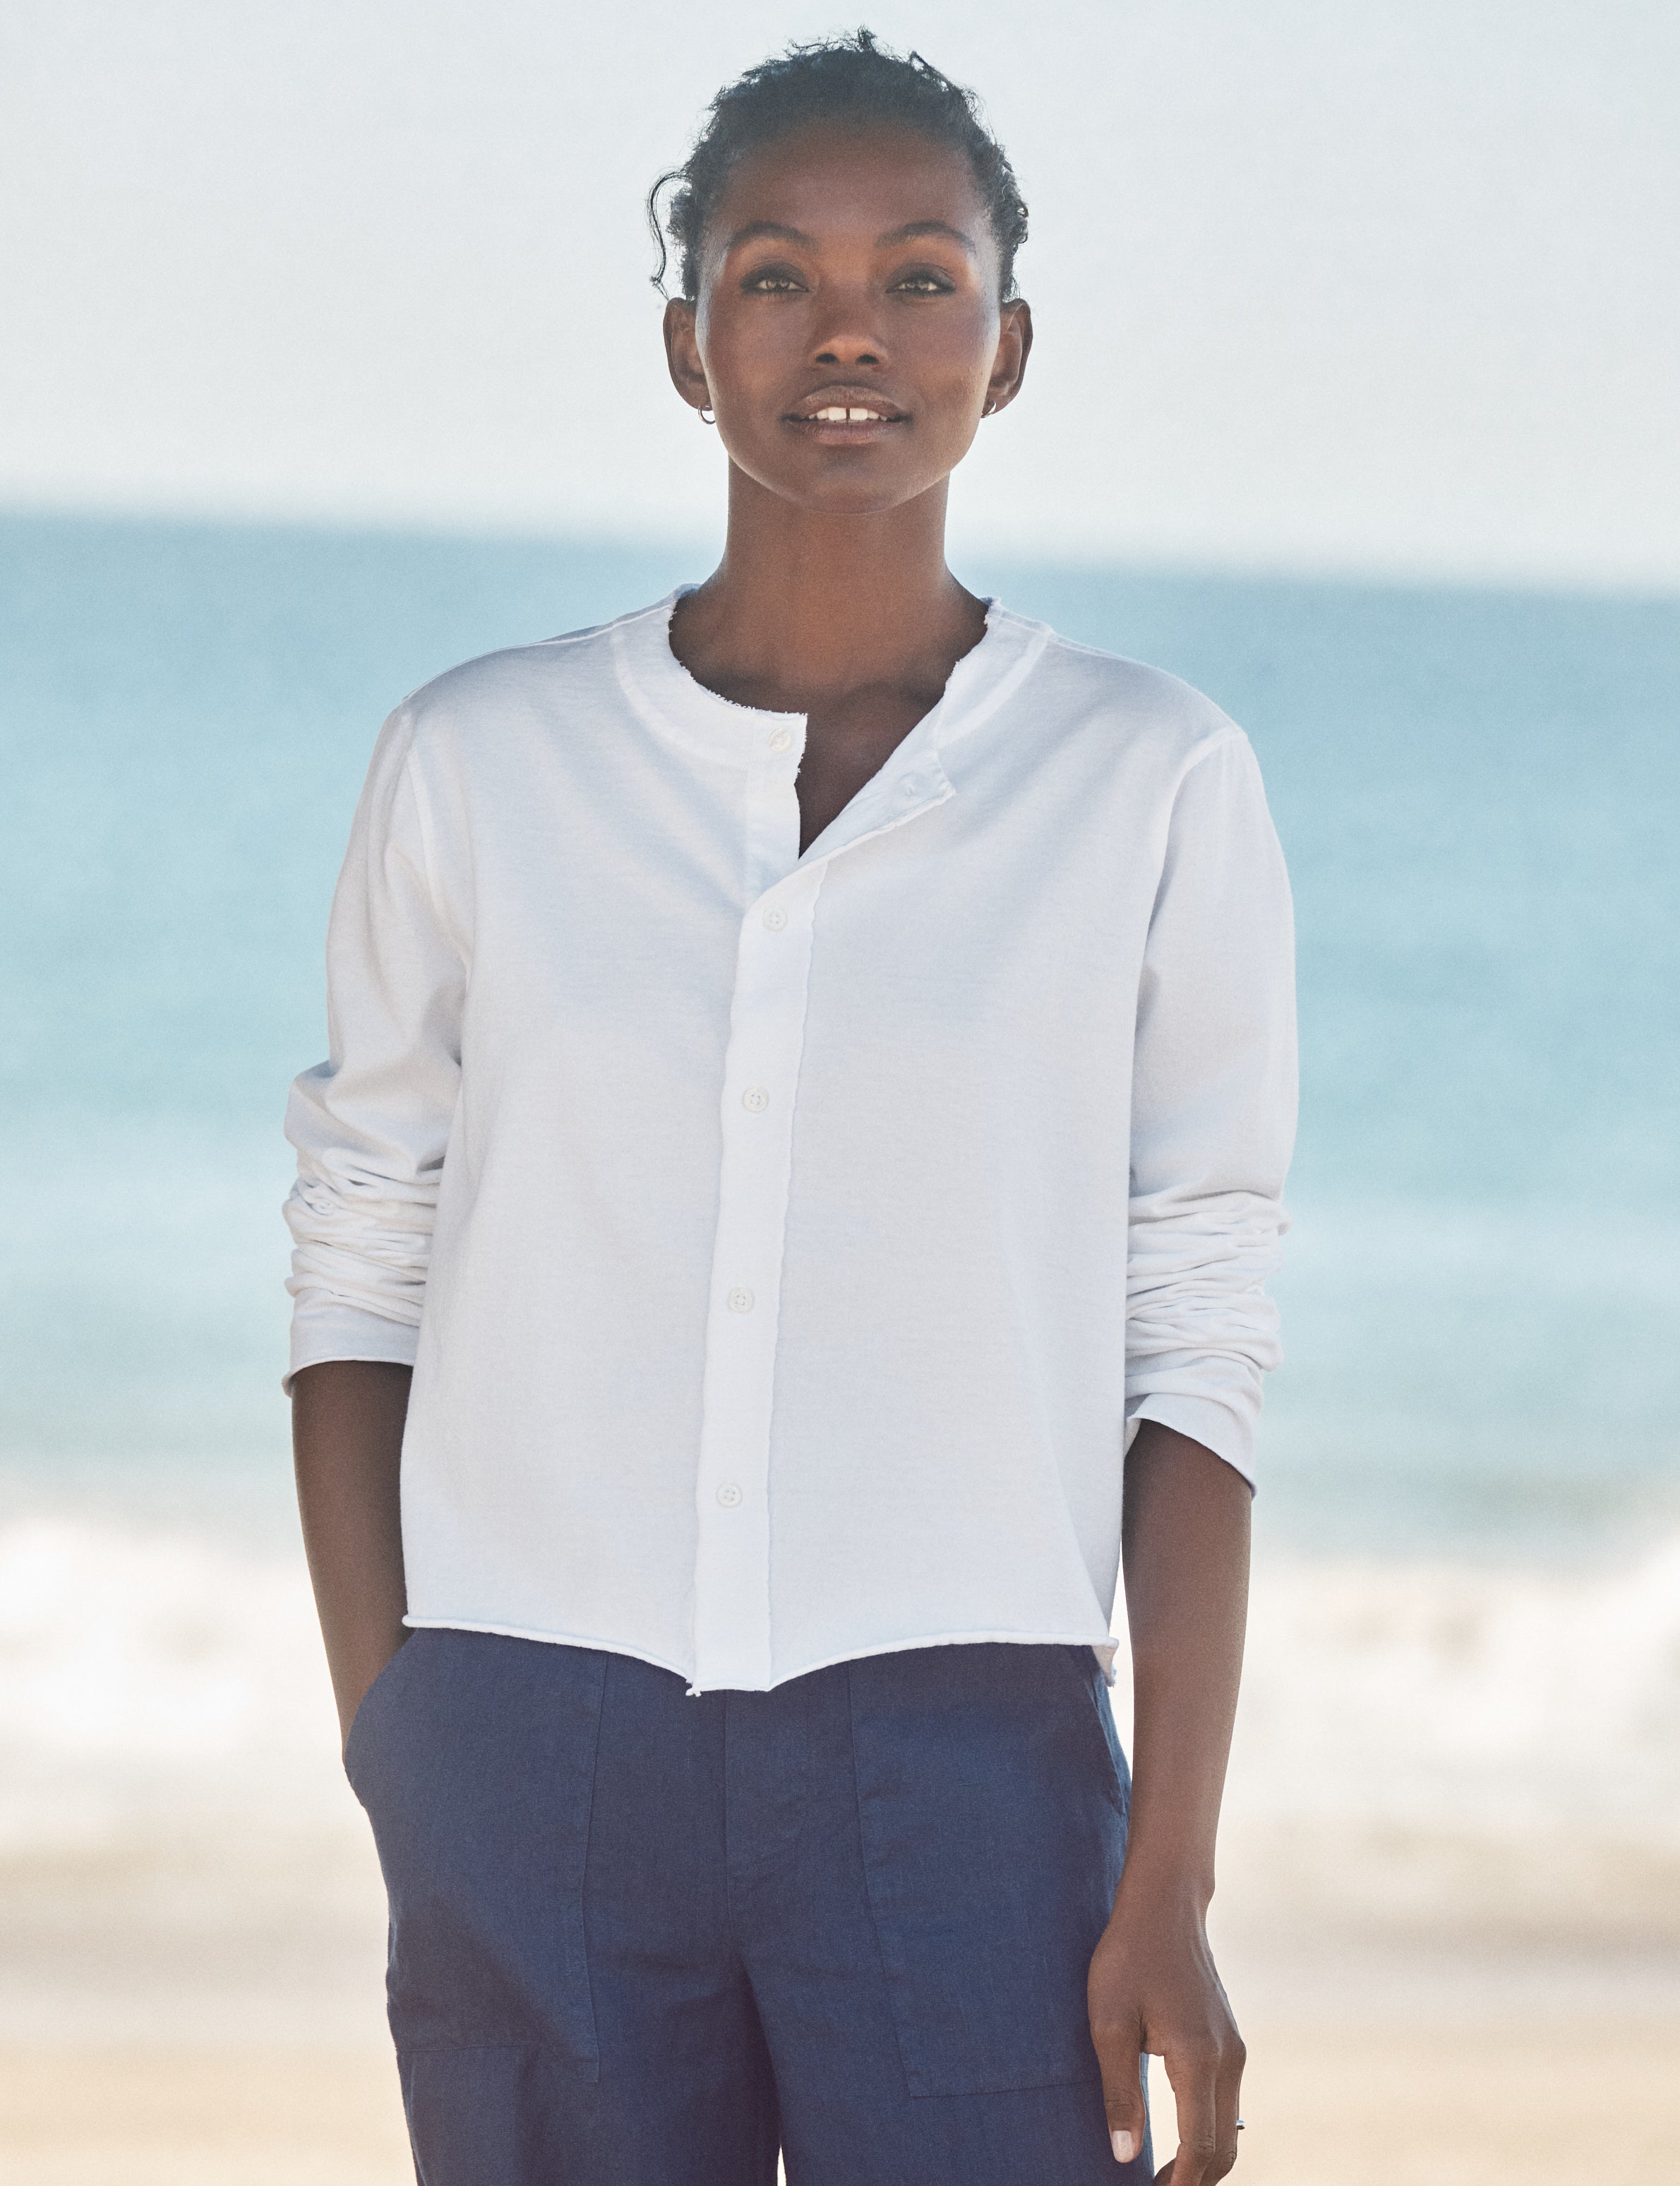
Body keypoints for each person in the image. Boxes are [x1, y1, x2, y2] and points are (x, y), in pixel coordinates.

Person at [284, 32, 1295, 2186]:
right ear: (686, 342)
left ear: (1008, 350)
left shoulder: (1148, 777)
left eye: (920, 277)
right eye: (774, 275)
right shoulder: (482, 758)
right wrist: (405, 1738)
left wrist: (1168, 1876)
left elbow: (1193, 1337)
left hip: (969, 1764)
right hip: (524, 1745)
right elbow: (360, 1256)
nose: (851, 330)